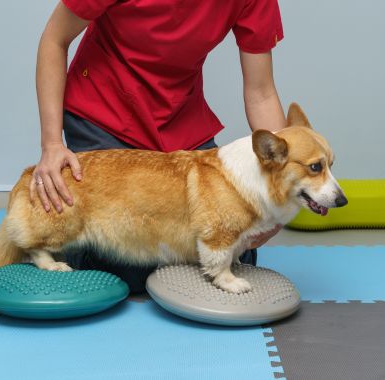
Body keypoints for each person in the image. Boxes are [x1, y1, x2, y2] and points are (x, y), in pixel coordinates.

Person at [30, 0, 285, 292]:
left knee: (231, 243)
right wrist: (51, 143)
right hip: (104, 112)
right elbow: (54, 38)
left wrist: (280, 185)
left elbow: (261, 92)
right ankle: (74, 242)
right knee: (129, 270)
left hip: (179, 123)